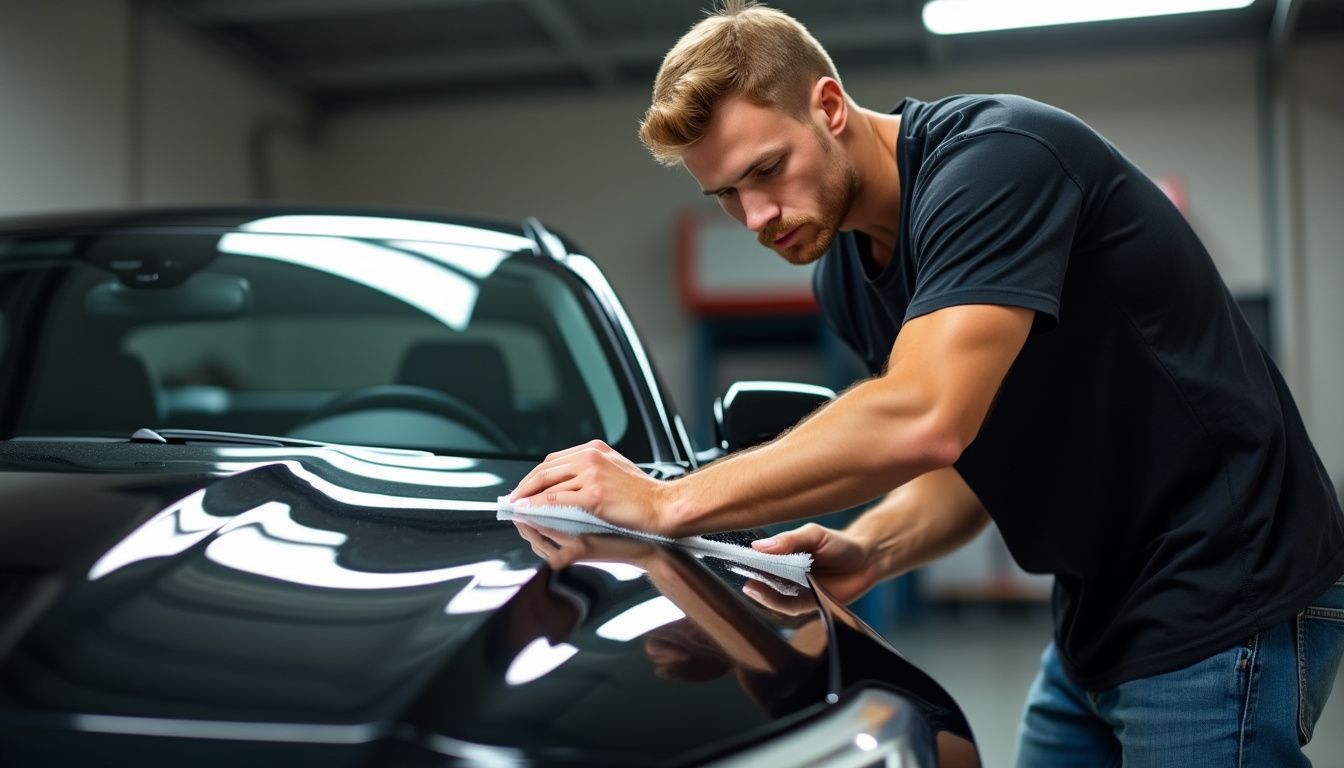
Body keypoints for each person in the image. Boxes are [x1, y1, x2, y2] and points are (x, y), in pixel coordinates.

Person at [508, 2, 1344, 764]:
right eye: (725, 193)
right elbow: (965, 463)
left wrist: (667, 503)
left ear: (829, 107)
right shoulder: (843, 277)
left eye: (766, 170)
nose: (756, 216)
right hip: (1099, 607)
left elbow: (924, 418)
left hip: (1226, 586)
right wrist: (873, 549)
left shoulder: (995, 163)